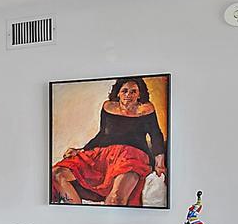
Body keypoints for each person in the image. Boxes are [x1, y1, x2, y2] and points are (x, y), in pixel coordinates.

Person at [51, 77, 166, 206]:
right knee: (57, 173)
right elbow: (102, 134)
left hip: (133, 156)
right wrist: (82, 150)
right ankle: (74, 214)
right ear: (118, 93)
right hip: (104, 155)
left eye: (133, 91)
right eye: (125, 91)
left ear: (139, 94)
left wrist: (160, 162)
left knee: (116, 198)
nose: (128, 95)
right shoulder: (108, 106)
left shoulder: (146, 109)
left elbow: (156, 136)